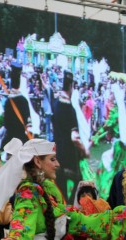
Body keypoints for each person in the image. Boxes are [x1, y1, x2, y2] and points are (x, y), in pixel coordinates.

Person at [52, 71, 88, 200]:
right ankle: (70, 209)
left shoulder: (55, 104)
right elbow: (74, 138)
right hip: (69, 158)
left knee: (60, 190)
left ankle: (62, 211)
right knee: (79, 182)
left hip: (56, 154)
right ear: (71, 86)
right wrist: (84, 150)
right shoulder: (70, 110)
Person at [2, 62, 31, 146]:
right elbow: (28, 124)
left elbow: (6, 123)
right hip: (21, 140)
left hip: (10, 141)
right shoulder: (23, 101)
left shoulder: (7, 102)